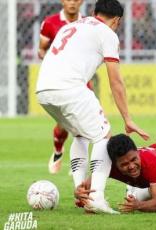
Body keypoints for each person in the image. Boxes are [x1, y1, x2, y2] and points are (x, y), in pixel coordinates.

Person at [36, 0, 149, 214]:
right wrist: (128, 118)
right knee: (104, 137)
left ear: (94, 12)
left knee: (80, 135)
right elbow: (115, 81)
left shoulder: (71, 26)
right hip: (69, 88)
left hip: (43, 90)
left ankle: (82, 193)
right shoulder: (107, 33)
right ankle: (96, 197)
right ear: (116, 21)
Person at [74, 134, 156, 213]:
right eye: (124, 164)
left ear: (137, 151)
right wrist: (79, 194)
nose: (131, 166)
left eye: (134, 159)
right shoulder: (108, 166)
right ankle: (134, 190)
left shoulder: (151, 162)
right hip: (151, 181)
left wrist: (138, 205)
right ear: (113, 163)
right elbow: (86, 189)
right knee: (142, 197)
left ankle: (135, 190)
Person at [39, 0, 87, 174]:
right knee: (64, 123)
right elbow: (41, 49)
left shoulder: (87, 24)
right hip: (59, 80)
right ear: (62, 1)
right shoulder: (50, 23)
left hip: (82, 80)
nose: (72, 3)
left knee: (82, 122)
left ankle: (77, 165)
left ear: (81, 1)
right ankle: (58, 151)